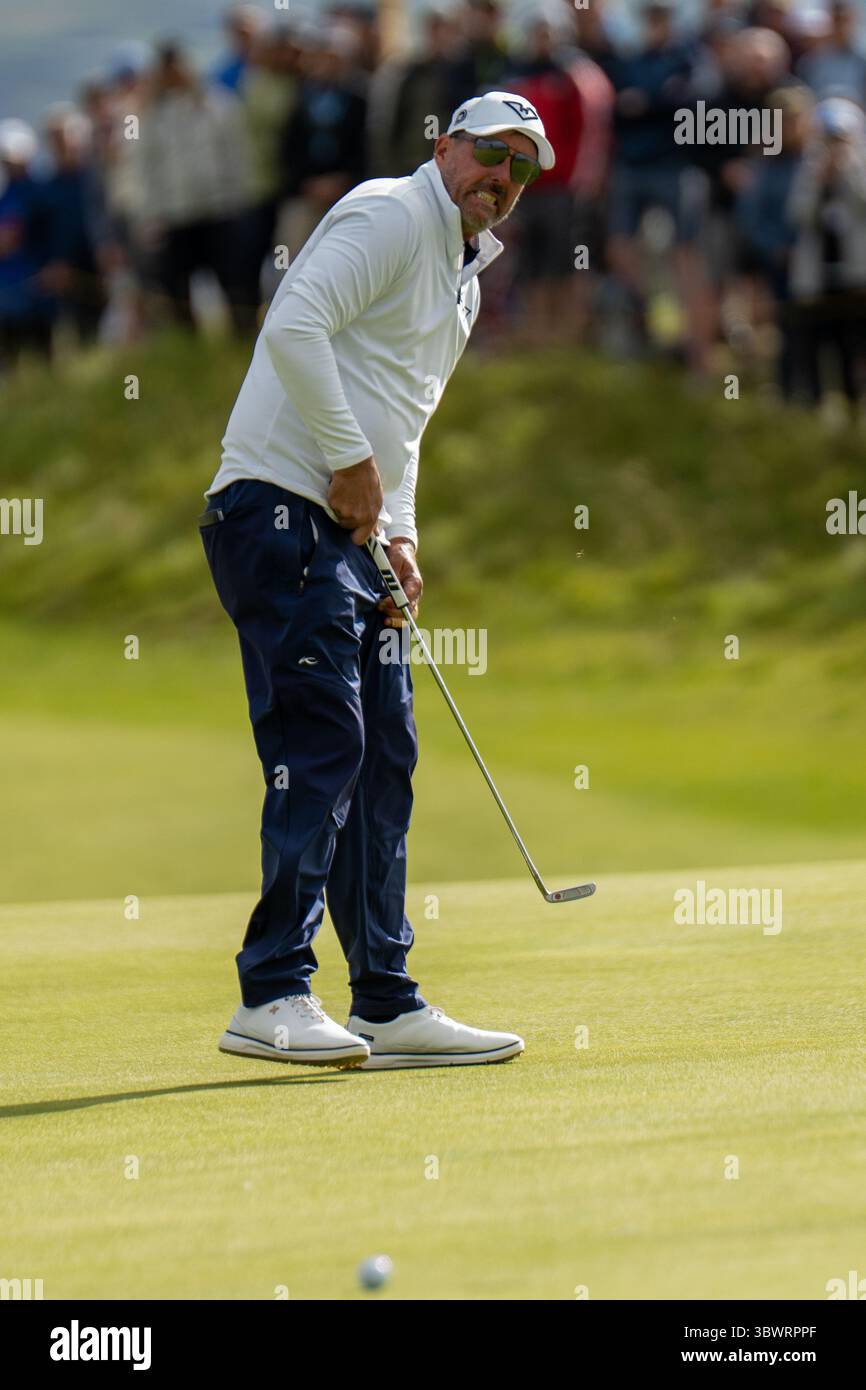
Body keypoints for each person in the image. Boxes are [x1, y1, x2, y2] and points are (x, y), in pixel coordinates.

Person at [199, 92, 555, 1070]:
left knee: (384, 752)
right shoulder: (389, 212)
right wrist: (350, 469)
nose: (501, 179)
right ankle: (270, 993)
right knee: (326, 740)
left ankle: (384, 1002)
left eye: (521, 168)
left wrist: (397, 534)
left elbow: (401, 416)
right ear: (443, 145)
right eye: (490, 153)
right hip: (274, 511)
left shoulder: (463, 279)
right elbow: (295, 326)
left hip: (352, 537)